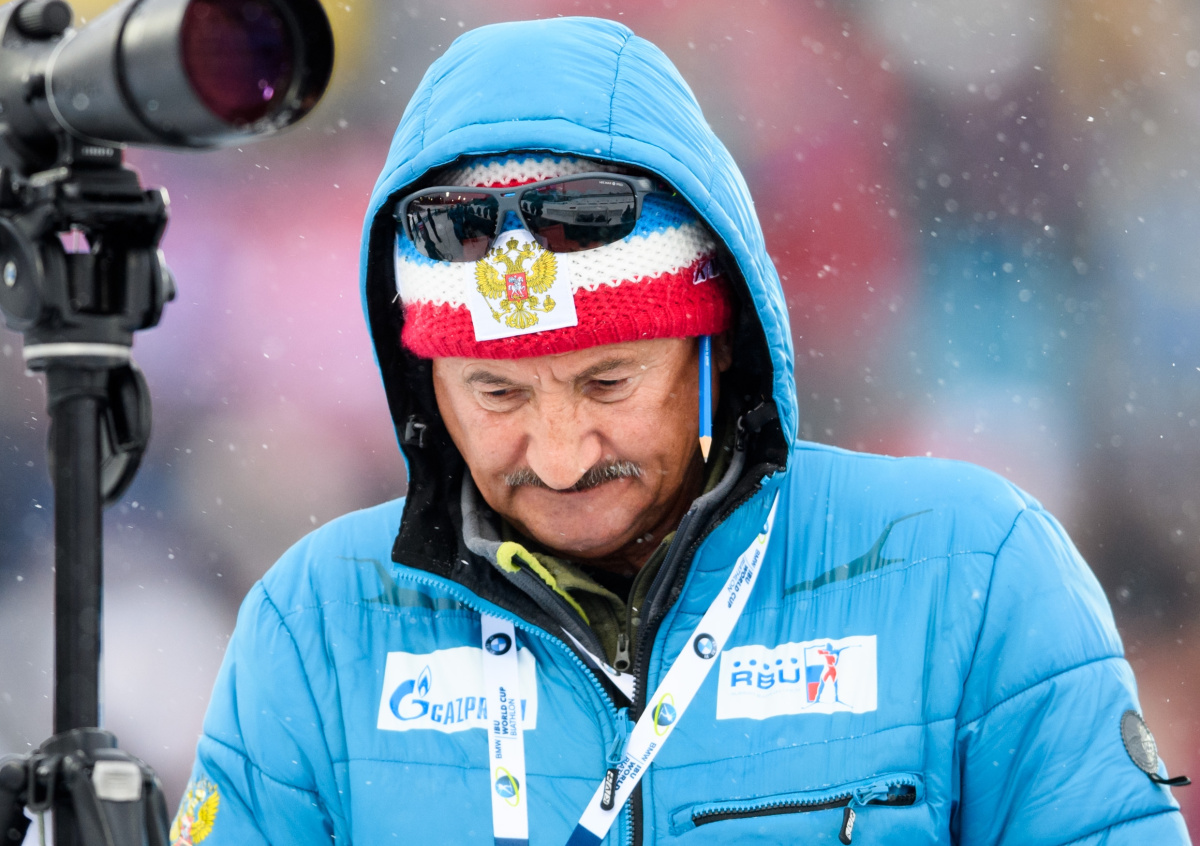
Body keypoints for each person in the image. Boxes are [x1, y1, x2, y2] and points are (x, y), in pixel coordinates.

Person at [172, 16, 1190, 846]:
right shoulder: (318, 626)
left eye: (608, 381)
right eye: (497, 395)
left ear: (719, 346)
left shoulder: (970, 567)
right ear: (425, 383)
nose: (561, 454)